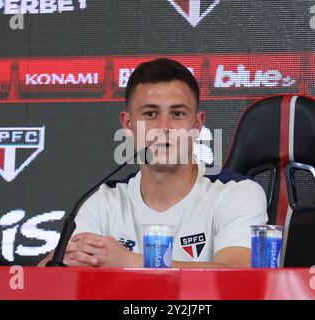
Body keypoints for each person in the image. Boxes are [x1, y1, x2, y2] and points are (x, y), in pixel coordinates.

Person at [39, 58, 267, 268]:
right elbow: (46, 276)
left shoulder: (238, 193)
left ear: (197, 124)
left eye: (177, 114)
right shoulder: (105, 200)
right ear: (127, 124)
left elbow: (238, 277)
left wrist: (129, 262)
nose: (164, 127)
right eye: (150, 114)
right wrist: (63, 262)